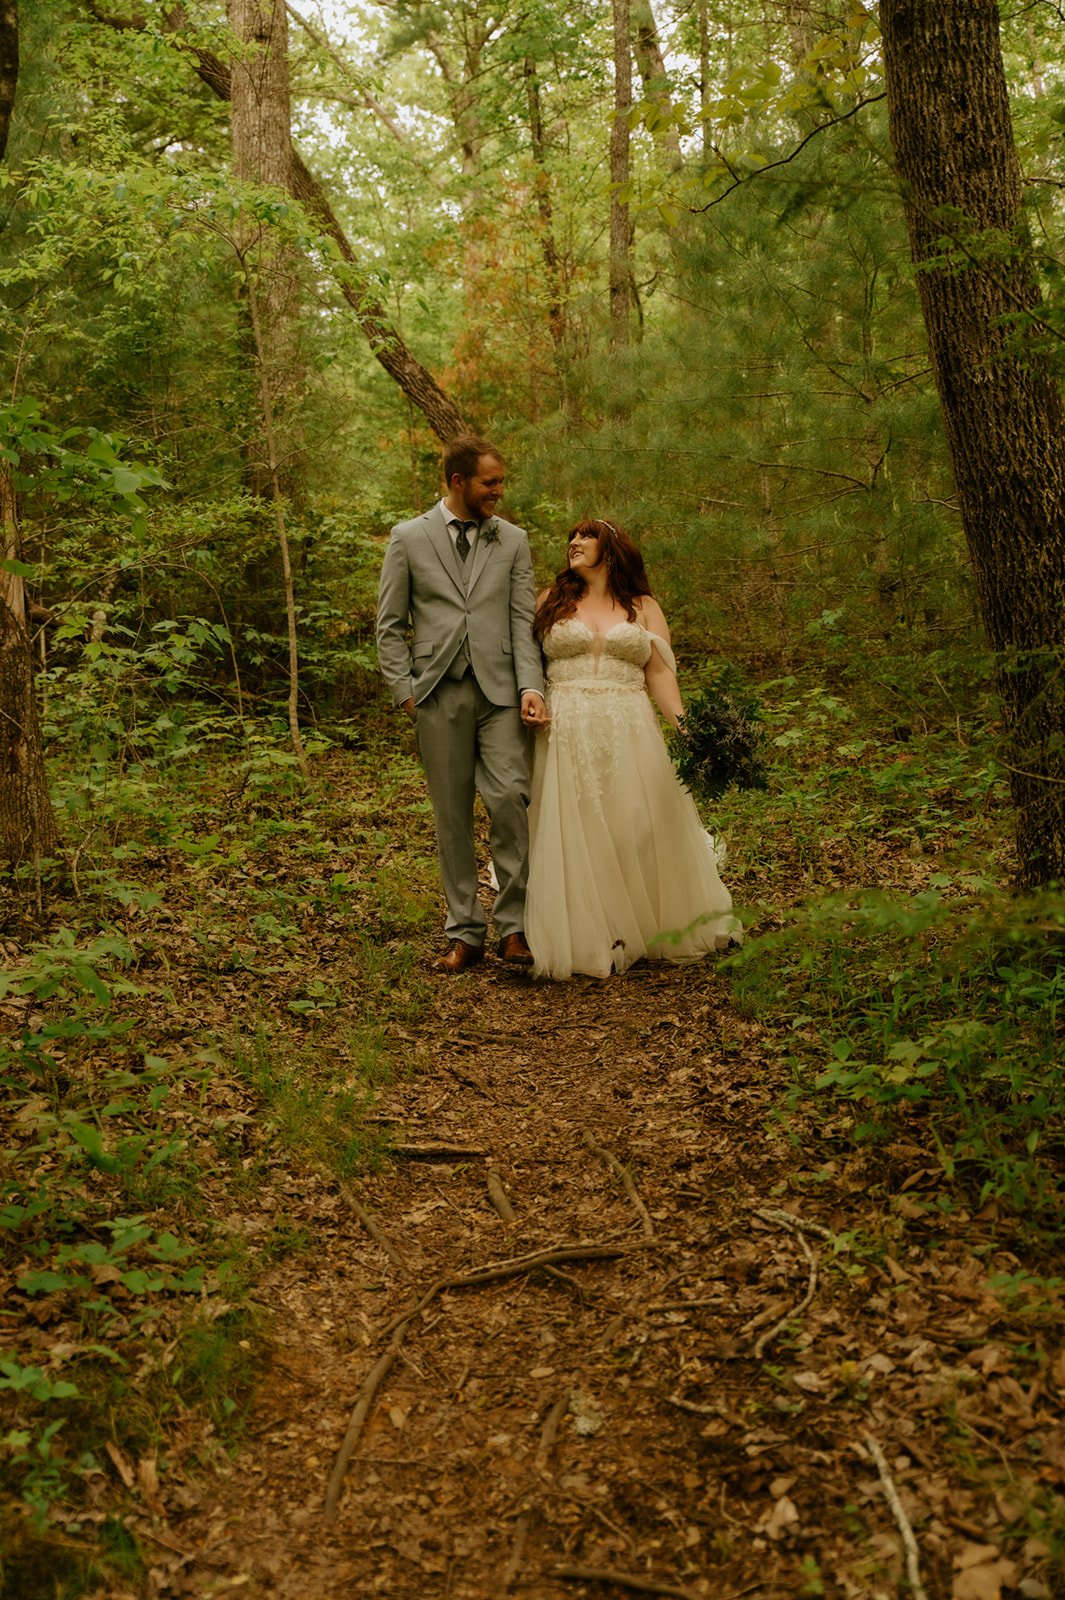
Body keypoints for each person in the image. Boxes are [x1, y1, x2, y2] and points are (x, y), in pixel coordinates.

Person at [526, 518, 740, 980]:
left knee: (633, 823)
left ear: (612, 548)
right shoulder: (549, 601)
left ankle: (642, 924)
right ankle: (591, 930)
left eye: (585, 537)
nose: (574, 544)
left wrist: (684, 730)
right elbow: (524, 663)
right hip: (566, 727)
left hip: (629, 724)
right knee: (577, 826)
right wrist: (533, 699)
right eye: (570, 538)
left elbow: (660, 674)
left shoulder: (642, 606)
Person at [376, 435, 548, 973]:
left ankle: (514, 929)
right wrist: (407, 694)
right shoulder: (408, 538)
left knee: (510, 801)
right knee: (451, 818)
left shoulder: (514, 541)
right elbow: (388, 628)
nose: (499, 491)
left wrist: (531, 687)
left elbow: (523, 623)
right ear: (458, 482)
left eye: (500, 481)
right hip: (436, 694)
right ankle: (465, 933)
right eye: (489, 482)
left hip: (501, 694)